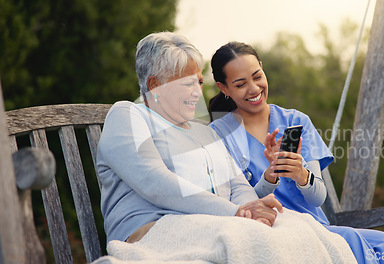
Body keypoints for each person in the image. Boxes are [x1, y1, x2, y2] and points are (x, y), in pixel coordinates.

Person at [95, 31, 357, 264]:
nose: (198, 92)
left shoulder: (202, 131)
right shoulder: (129, 115)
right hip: (151, 231)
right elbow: (156, 183)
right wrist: (237, 212)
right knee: (254, 236)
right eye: (187, 84)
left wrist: (252, 210)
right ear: (155, 86)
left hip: (211, 225)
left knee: (297, 227)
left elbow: (237, 186)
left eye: (198, 82)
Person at [208, 41, 384, 264]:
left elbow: (318, 197)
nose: (254, 89)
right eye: (240, 84)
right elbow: (234, 206)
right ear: (223, 88)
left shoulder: (295, 122)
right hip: (268, 231)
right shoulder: (218, 135)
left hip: (314, 227)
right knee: (352, 239)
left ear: (263, 69)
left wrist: (301, 175)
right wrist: (270, 177)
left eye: (257, 76)